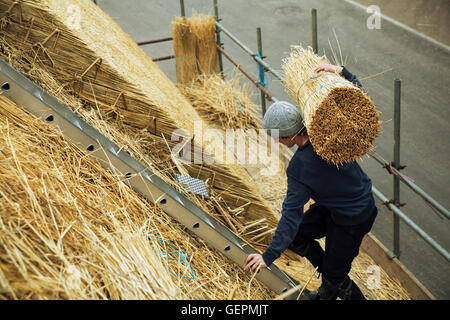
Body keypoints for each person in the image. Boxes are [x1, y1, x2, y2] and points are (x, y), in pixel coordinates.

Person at [243, 64, 377, 300]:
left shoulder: (300, 168)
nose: (275, 142)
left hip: (354, 217)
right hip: (337, 204)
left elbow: (290, 214)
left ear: (287, 136)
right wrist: (342, 72)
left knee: (332, 284)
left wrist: (267, 257)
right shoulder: (327, 131)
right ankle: (330, 269)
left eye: (275, 137)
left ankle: (333, 280)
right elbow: (358, 106)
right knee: (297, 238)